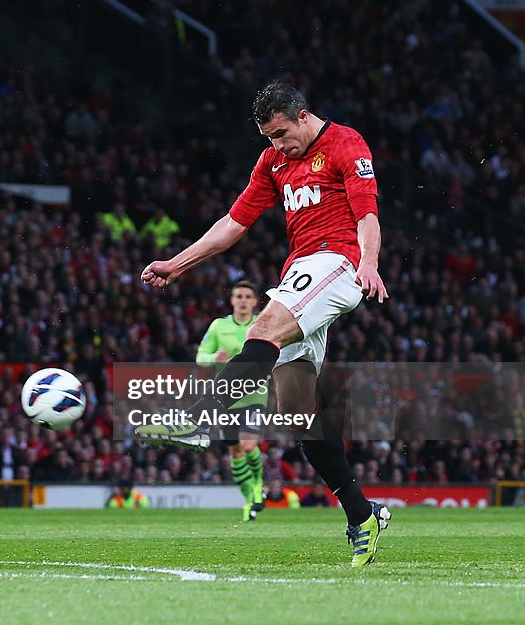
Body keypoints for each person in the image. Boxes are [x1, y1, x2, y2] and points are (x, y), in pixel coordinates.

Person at [137, 81, 391, 567]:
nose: (277, 146)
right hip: (301, 269)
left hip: (339, 262)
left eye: (281, 134)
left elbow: (367, 212)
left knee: (261, 331)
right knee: (299, 415)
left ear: (301, 115)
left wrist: (370, 262)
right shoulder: (272, 162)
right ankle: (363, 515)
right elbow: (235, 222)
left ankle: (196, 417)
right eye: (268, 138)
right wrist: (178, 262)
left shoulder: (345, 143)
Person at [196, 280, 267, 521]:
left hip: (255, 395)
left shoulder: (262, 322)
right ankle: (249, 500)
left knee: (248, 445)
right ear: (232, 300)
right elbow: (200, 358)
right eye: (239, 296)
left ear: (255, 301)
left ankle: (258, 486)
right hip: (226, 398)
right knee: (236, 452)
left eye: (248, 296)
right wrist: (214, 357)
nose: (243, 300)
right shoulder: (219, 326)